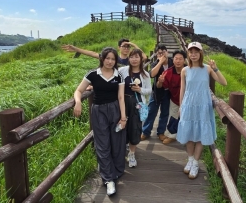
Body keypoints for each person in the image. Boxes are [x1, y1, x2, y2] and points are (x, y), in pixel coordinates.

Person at [73, 47, 127, 196]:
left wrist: (123, 118)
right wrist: (78, 102)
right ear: (102, 58)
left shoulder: (118, 76)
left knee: (117, 142)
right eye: (107, 58)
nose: (110, 61)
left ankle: (116, 170)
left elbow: (121, 98)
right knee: (102, 144)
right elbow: (78, 90)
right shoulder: (92, 74)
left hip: (115, 110)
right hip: (99, 112)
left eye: (113, 59)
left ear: (116, 61)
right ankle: (108, 179)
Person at [177, 42, 227, 179]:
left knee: (199, 134)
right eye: (191, 52)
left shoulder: (207, 69)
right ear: (188, 54)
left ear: (200, 54)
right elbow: (183, 89)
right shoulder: (185, 70)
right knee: (188, 134)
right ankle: (190, 160)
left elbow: (224, 82)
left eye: (196, 52)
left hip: (203, 105)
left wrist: (215, 68)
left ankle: (196, 163)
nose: (193, 54)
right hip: (188, 105)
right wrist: (181, 106)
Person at [118, 48, 152, 168]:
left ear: (141, 59)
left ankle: (132, 154)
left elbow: (149, 90)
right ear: (129, 58)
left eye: (137, 57)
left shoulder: (145, 74)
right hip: (122, 103)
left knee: (135, 128)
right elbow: (112, 81)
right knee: (121, 127)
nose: (134, 59)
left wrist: (140, 90)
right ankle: (120, 153)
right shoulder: (122, 71)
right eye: (132, 57)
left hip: (137, 104)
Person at [140, 44, 173, 142]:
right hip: (156, 92)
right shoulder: (155, 64)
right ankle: (145, 132)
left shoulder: (172, 62)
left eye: (164, 52)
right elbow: (151, 74)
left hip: (168, 93)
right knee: (151, 112)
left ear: (167, 52)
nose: (162, 54)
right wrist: (160, 62)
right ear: (156, 54)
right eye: (159, 53)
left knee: (165, 113)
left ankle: (161, 132)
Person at [156, 50, 187, 144]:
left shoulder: (189, 70)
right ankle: (172, 135)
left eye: (180, 59)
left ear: (184, 60)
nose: (178, 61)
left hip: (188, 100)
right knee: (173, 117)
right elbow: (159, 86)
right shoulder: (168, 72)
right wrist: (160, 81)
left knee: (188, 118)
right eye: (176, 58)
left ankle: (188, 136)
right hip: (174, 99)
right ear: (172, 60)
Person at [62, 38, 147, 67]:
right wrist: (77, 49)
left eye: (128, 47)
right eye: (124, 46)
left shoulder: (132, 60)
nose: (126, 48)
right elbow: (93, 54)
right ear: (118, 47)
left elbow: (144, 57)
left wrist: (132, 44)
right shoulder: (113, 58)